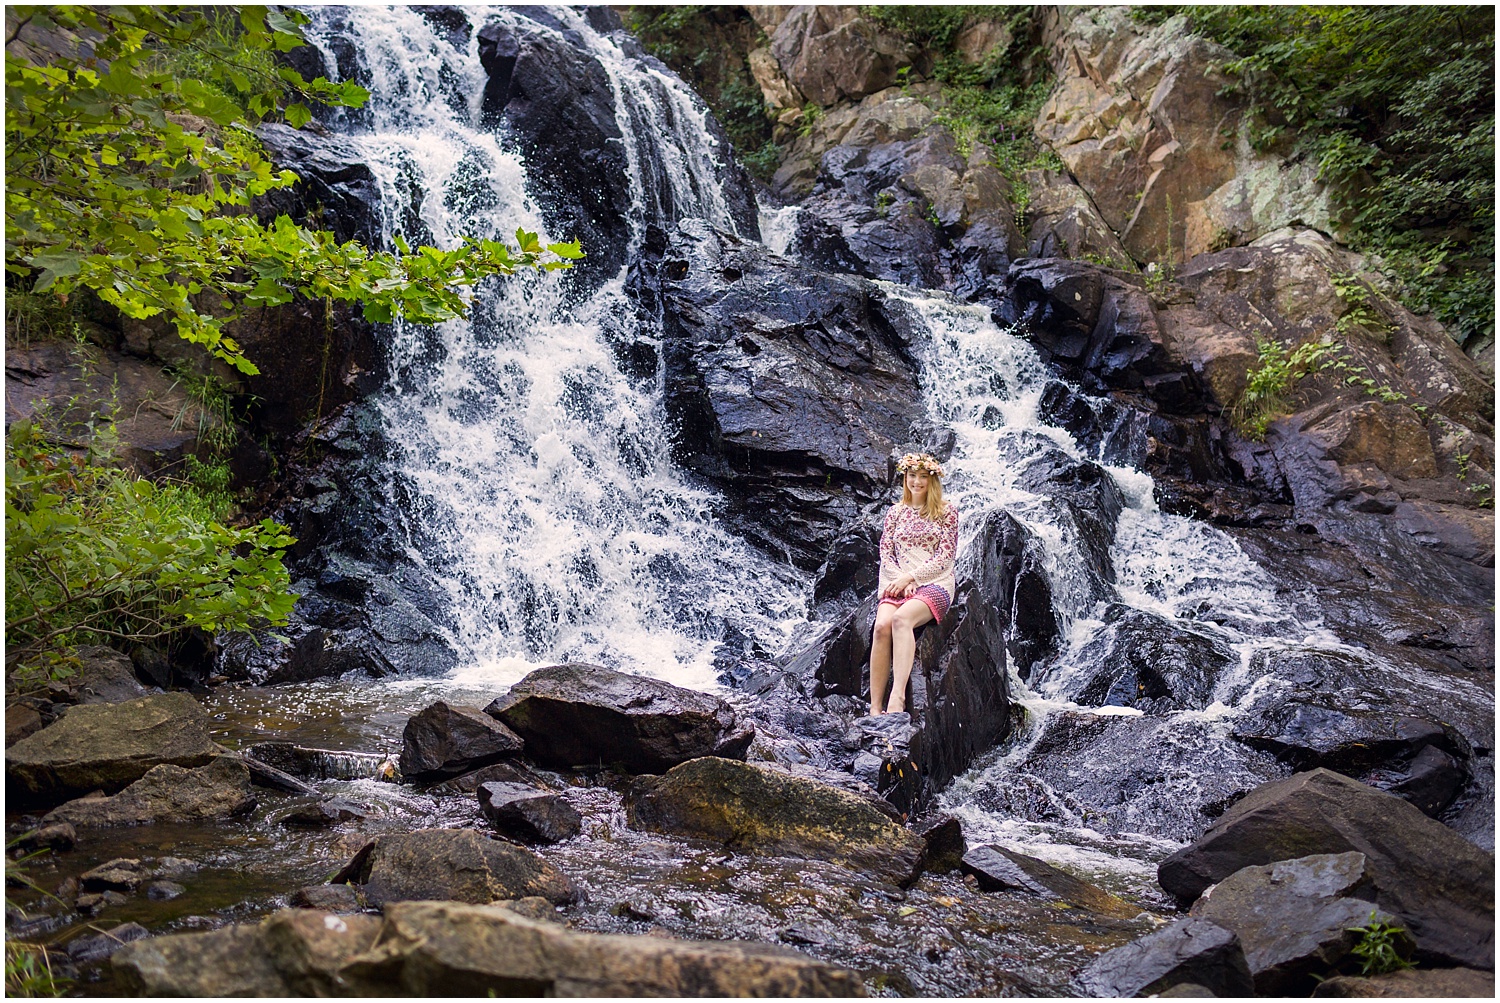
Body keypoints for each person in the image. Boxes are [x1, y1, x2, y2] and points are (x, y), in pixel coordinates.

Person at [869, 452, 958, 716]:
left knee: (901, 620)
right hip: (897, 581)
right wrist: (899, 579)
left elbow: (946, 557)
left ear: (932, 481)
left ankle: (897, 698)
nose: (916, 482)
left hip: (935, 583)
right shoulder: (895, 512)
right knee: (881, 627)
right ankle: (875, 707)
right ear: (904, 478)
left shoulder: (946, 512)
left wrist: (912, 578)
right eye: (911, 476)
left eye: (922, 477)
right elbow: (886, 553)